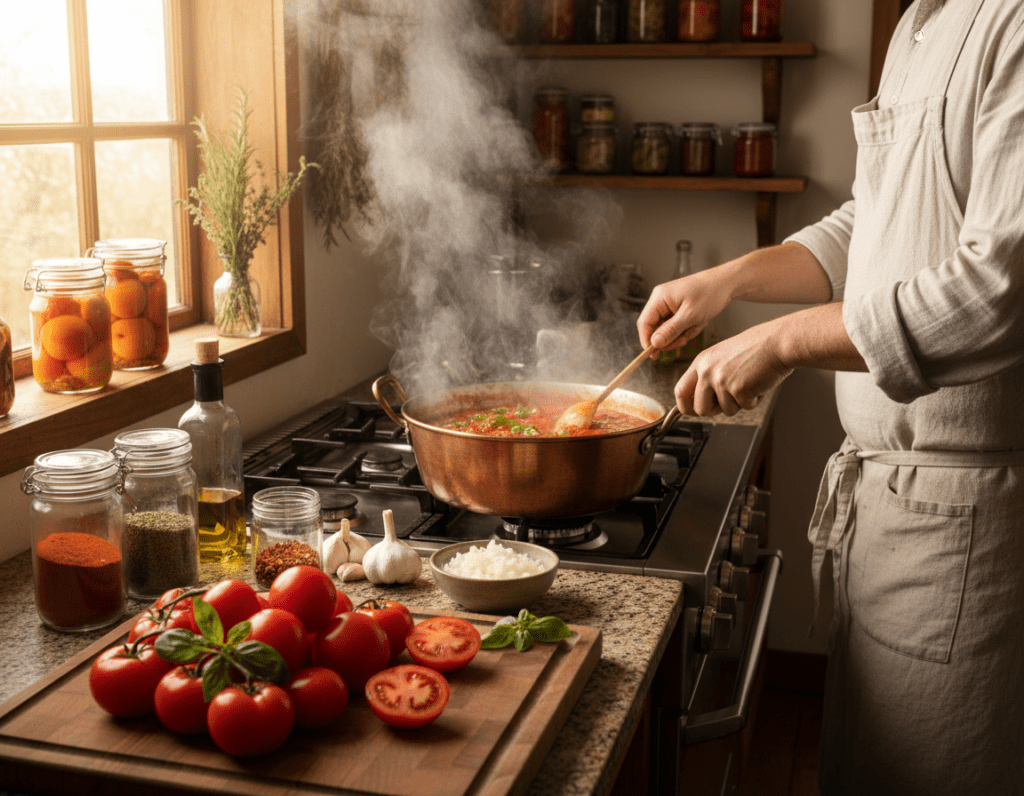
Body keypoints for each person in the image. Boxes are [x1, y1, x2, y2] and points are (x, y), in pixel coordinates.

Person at [637, 1, 1024, 794]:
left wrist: (781, 342)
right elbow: (871, 221)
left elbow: (999, 290)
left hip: (973, 522)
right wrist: (732, 280)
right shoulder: (920, 20)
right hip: (889, 513)